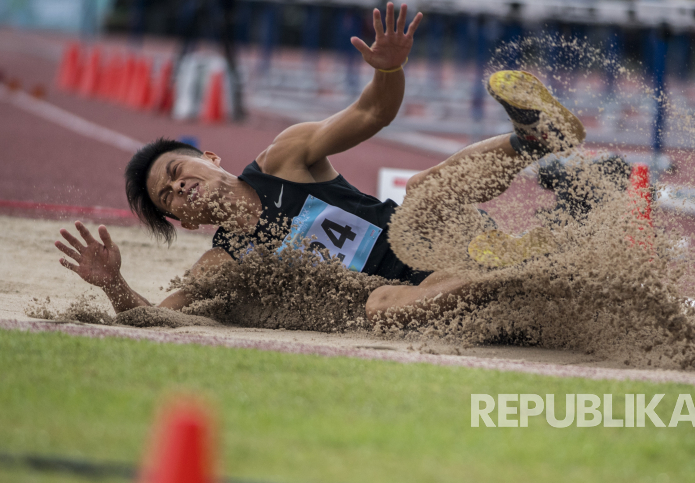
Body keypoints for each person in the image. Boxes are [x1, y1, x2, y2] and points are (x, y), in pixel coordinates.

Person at [55, 2, 585, 323]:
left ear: (211, 159)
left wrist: (390, 69)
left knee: (421, 189)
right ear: (187, 222)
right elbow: (160, 319)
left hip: (428, 236)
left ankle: (534, 141)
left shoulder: (284, 158)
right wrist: (113, 285)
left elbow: (373, 112)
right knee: (379, 308)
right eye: (169, 200)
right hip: (424, 294)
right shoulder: (222, 264)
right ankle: (525, 269)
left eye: (177, 173)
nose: (180, 191)